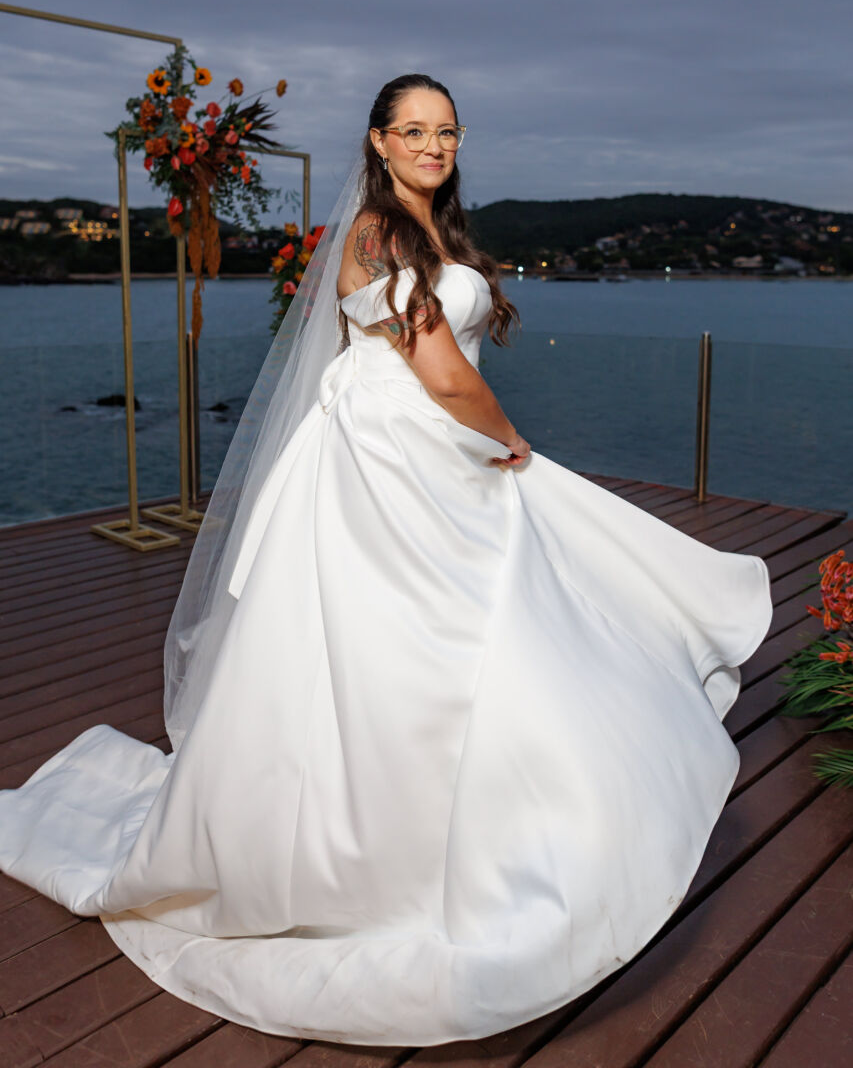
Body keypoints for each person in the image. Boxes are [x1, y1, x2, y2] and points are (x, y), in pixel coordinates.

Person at [0, 74, 773, 1047]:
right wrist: (510, 439)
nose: (432, 144)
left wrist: (482, 437)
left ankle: (489, 825)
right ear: (377, 140)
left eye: (446, 130)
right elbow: (441, 370)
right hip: (390, 458)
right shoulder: (378, 231)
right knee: (408, 642)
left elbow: (443, 361)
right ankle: (399, 848)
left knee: (472, 630)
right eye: (413, 130)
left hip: (430, 451)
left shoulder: (431, 230)